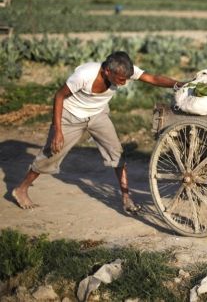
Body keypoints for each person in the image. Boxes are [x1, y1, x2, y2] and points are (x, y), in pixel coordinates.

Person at [11, 51, 185, 214]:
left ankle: (126, 197)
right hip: (70, 117)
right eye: (121, 79)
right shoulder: (84, 75)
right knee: (51, 154)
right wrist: (58, 131)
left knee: (116, 152)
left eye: (126, 79)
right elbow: (59, 96)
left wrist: (179, 84)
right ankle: (21, 189)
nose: (124, 83)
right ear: (107, 71)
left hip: (97, 115)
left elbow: (152, 78)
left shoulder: (123, 69)